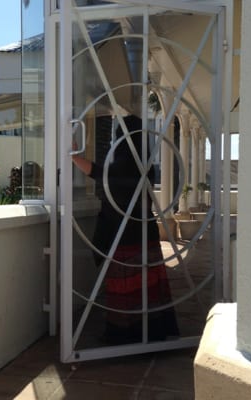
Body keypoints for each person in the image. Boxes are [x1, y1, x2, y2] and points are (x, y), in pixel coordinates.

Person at [72, 114, 179, 344]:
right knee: (146, 287)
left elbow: (104, 175)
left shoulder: (124, 162)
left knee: (127, 287)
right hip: (143, 232)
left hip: (125, 235)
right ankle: (151, 333)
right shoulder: (145, 161)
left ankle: (126, 336)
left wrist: (74, 156)